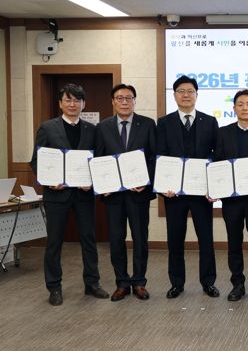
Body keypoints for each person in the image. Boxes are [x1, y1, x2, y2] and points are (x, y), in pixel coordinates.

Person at [30, 83, 109, 305]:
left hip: (84, 195)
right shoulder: (47, 128)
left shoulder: (92, 129)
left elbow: (98, 161)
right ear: (60, 103)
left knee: (89, 239)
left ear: (83, 104)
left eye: (77, 100)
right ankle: (54, 287)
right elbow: (37, 161)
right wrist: (49, 181)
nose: (72, 104)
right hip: (57, 195)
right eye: (68, 100)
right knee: (54, 242)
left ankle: (92, 283)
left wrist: (92, 182)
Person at [156, 75, 219, 299]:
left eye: (190, 91)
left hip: (201, 193)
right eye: (181, 91)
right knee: (175, 239)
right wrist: (163, 186)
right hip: (174, 194)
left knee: (206, 238)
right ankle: (177, 283)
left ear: (196, 95)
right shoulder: (164, 123)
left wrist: (214, 186)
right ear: (174, 96)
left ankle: (208, 282)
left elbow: (216, 156)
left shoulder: (209, 122)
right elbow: (160, 155)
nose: (186, 95)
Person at [94, 84, 156, 302]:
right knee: (116, 239)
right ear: (113, 102)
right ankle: (121, 282)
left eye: (128, 98)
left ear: (134, 101)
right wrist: (103, 186)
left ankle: (139, 282)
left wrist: (146, 182)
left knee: (140, 238)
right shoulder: (102, 127)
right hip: (114, 196)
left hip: (139, 194)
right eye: (119, 98)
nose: (124, 102)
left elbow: (153, 157)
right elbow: (99, 159)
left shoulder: (147, 124)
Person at [214, 89, 248, 302]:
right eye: (240, 104)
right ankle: (237, 284)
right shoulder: (223, 133)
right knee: (234, 243)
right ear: (234, 108)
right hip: (232, 201)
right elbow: (218, 163)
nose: (245, 108)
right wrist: (215, 186)